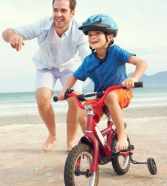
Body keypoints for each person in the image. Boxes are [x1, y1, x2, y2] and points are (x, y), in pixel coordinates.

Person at [2, 0, 89, 151]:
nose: (58, 14)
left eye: (63, 10)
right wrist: (13, 36)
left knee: (75, 101)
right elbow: (6, 32)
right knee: (42, 99)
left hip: (69, 67)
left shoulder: (80, 32)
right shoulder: (42, 25)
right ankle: (52, 134)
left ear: (72, 13)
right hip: (45, 66)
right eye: (55, 10)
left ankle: (70, 141)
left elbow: (87, 59)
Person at [57, 14, 148, 152]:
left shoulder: (116, 51)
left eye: (98, 33)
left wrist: (133, 78)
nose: (93, 37)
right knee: (81, 115)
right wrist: (64, 90)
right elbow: (74, 76)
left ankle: (122, 135)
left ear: (110, 37)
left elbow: (142, 62)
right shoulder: (88, 61)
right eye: (90, 35)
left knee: (111, 95)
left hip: (120, 93)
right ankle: (96, 143)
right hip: (100, 96)